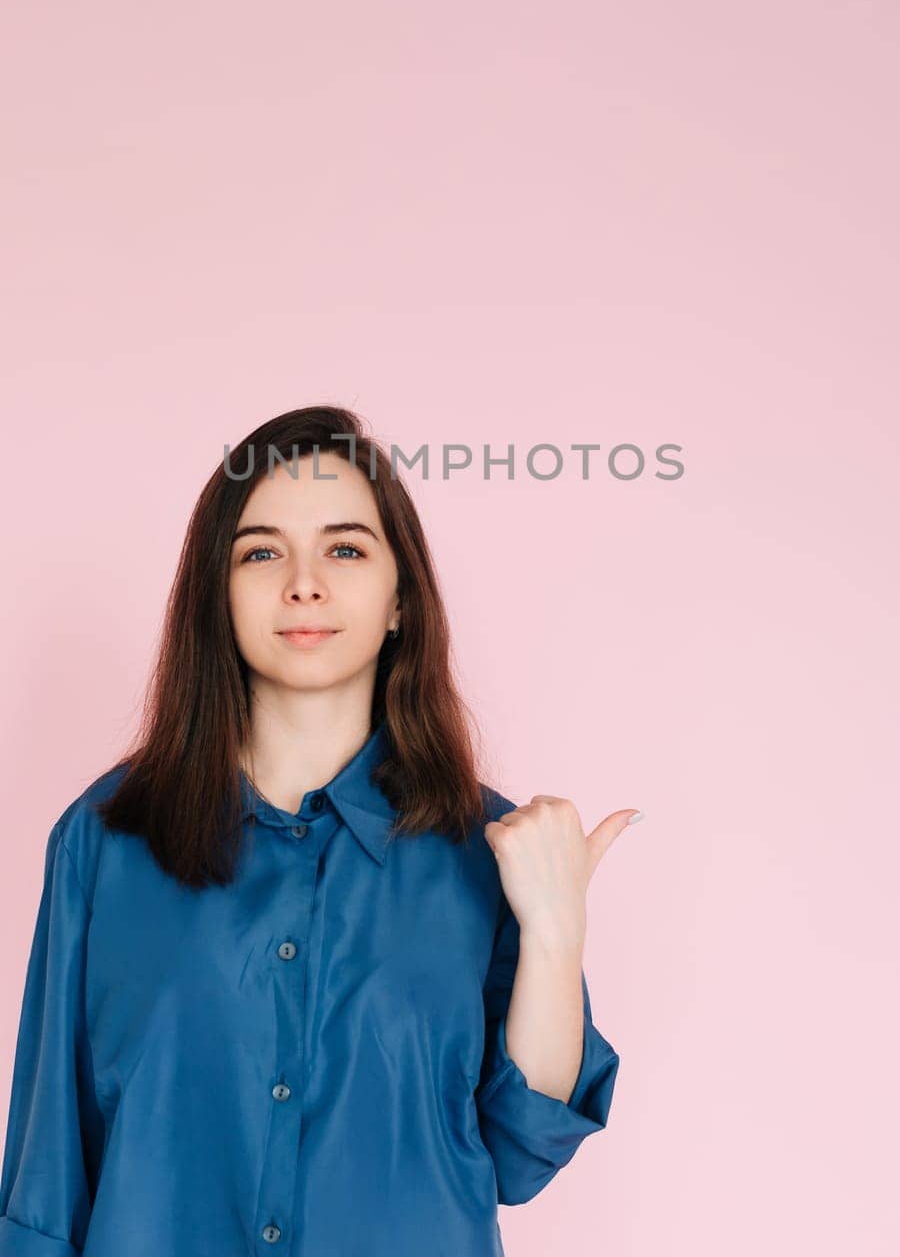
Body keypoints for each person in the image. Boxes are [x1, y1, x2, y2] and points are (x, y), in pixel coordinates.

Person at [0, 406, 637, 1257]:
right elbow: (48, 1169)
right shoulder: (108, 838)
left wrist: (556, 931)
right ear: (215, 596)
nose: (304, 584)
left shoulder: (488, 847)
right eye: (262, 552)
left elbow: (521, 1154)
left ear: (399, 596)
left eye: (344, 548)